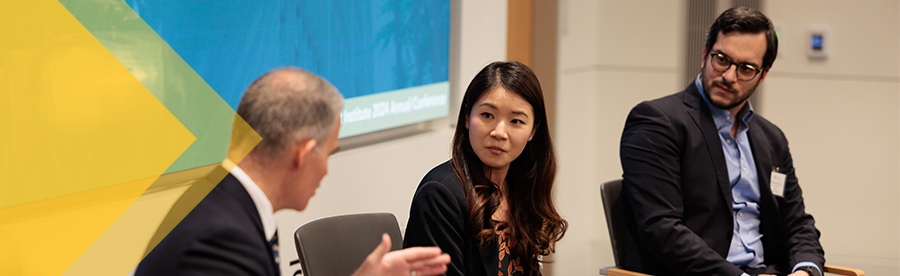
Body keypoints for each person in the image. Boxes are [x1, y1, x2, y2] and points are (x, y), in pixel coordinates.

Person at [136, 67, 450, 276]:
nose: (326, 171)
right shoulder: (221, 239)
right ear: (301, 154)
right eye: (328, 154)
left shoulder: (218, 197)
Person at [619, 6, 825, 276]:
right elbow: (661, 229)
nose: (728, 76)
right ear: (705, 54)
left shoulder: (772, 139)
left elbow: (796, 222)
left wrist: (805, 270)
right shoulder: (657, 122)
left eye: (746, 68)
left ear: (762, 76)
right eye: (722, 59)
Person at [403, 61, 567, 276]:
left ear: (533, 131)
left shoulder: (519, 186)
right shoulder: (439, 194)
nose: (500, 132)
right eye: (487, 115)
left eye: (516, 121)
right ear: (466, 118)